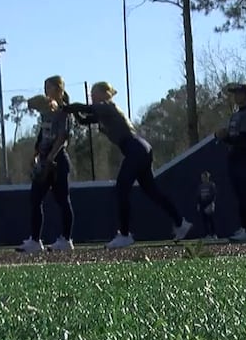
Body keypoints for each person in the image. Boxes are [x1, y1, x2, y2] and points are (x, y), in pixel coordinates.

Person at [62, 81, 192, 249]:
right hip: (139, 149)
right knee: (151, 191)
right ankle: (181, 223)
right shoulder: (103, 111)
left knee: (122, 189)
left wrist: (68, 107)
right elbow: (84, 120)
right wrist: (69, 108)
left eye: (94, 95)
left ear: (104, 94)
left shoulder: (107, 106)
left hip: (135, 149)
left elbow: (84, 108)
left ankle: (124, 234)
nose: (92, 98)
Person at [16, 76, 76, 253]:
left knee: (62, 200)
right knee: (35, 198)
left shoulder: (65, 111)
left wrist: (51, 157)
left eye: (48, 87)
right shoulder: (46, 112)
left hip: (58, 161)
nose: (45, 91)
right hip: (44, 160)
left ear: (58, 90)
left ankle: (66, 240)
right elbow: (42, 135)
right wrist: (36, 154)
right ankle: (35, 241)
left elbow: (62, 137)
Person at [214, 83, 246, 242]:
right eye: (234, 93)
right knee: (241, 195)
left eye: (238, 93)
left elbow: (245, 138)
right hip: (235, 157)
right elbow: (232, 135)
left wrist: (226, 138)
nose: (235, 96)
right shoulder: (235, 115)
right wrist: (221, 136)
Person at [196, 171, 218, 240]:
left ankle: (214, 234)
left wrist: (211, 204)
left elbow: (214, 195)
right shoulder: (200, 186)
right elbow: (199, 196)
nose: (202, 179)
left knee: (211, 220)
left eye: (203, 177)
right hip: (203, 204)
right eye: (201, 177)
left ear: (207, 177)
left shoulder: (211, 184)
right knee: (204, 220)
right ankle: (207, 235)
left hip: (209, 203)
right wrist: (198, 204)